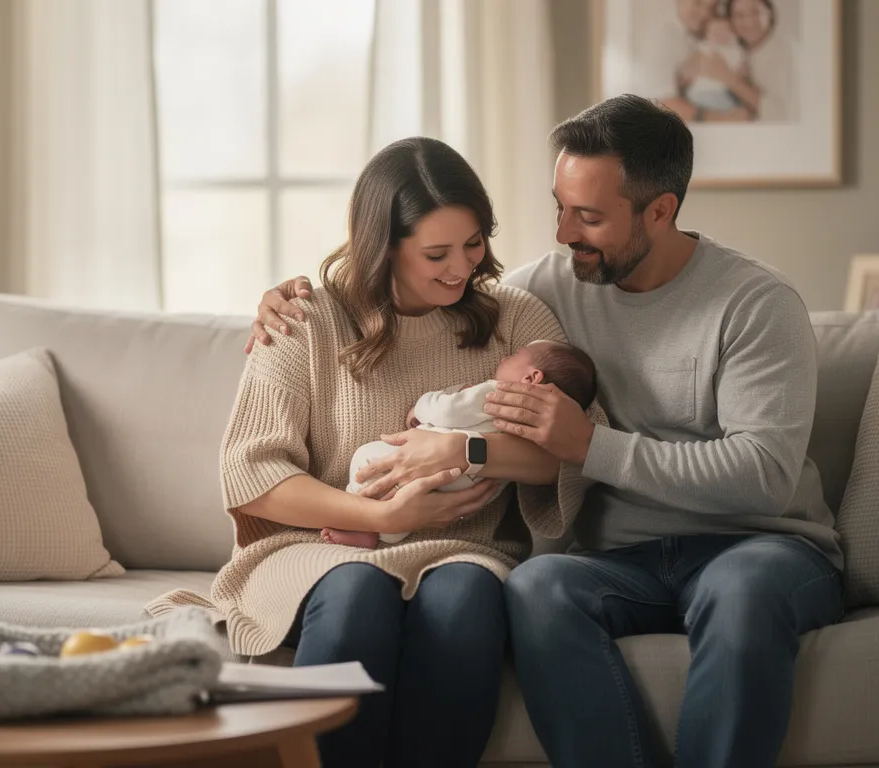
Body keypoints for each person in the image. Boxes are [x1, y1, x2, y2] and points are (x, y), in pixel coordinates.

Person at [246, 95, 844, 768]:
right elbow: (431, 292)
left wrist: (589, 447)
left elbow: (762, 478)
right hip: (621, 561)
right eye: (559, 206)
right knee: (537, 588)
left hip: (758, 546)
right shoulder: (546, 291)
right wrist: (284, 299)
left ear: (660, 210)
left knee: (741, 594)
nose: (562, 233)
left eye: (587, 216)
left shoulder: (755, 305)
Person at [149, 136, 603, 768]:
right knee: (358, 592)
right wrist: (385, 519)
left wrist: (462, 448)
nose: (461, 268)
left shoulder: (516, 320)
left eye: (474, 244)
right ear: (381, 245)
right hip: (315, 547)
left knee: (466, 601)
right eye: (436, 253)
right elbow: (251, 475)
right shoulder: (304, 320)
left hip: (462, 549)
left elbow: (573, 450)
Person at [328, 339, 598, 549]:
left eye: (516, 355)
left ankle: (362, 521)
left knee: (367, 458)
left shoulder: (499, 391)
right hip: (472, 484)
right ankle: (389, 530)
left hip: (440, 463)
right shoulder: (541, 426)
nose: (506, 356)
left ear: (531, 378)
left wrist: (422, 406)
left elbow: (448, 410)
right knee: (406, 492)